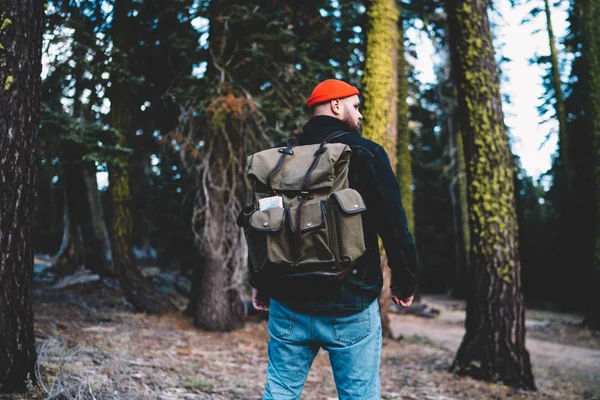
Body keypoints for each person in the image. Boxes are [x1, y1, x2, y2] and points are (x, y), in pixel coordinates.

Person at [252, 79, 418, 400]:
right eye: (356, 107)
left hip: (289, 299)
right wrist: (405, 281)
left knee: (280, 392)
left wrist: (260, 281)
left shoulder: (280, 158)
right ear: (336, 105)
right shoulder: (367, 153)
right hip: (350, 301)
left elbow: (263, 227)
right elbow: (394, 225)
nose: (360, 116)